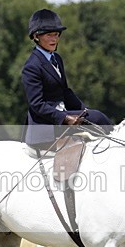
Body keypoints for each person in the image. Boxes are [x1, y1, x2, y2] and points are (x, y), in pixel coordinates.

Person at [21, 8, 112, 149]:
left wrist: (84, 110)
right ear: (36, 36)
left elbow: (65, 92)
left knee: (97, 117)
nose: (54, 39)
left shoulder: (56, 58)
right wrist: (64, 118)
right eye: (49, 35)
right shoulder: (32, 66)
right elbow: (37, 104)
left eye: (56, 34)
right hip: (45, 124)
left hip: (62, 114)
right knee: (98, 118)